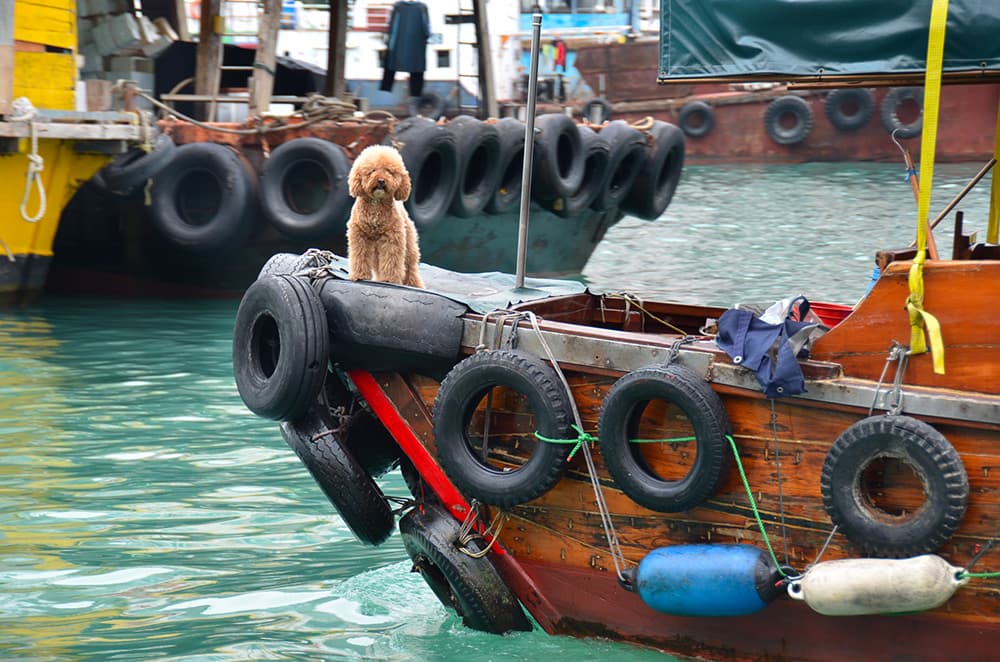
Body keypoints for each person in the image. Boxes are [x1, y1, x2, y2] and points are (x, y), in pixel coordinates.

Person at [380, 1, 431, 98]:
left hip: (397, 45)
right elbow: (426, 29)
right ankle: (416, 92)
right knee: (417, 68)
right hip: (416, 46)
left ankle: (386, 87)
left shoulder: (397, 7)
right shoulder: (422, 7)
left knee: (390, 63)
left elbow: (392, 27)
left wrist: (390, 42)